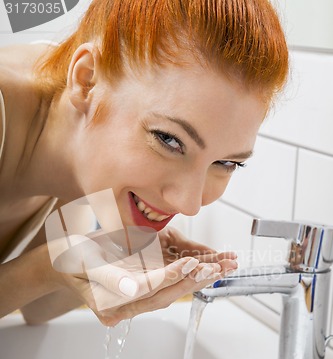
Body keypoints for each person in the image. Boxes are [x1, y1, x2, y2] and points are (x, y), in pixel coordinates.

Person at [0, 0, 288, 326]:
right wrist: (48, 267)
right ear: (87, 80)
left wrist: (112, 250)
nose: (189, 203)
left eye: (225, 162)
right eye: (169, 140)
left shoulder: (79, 144)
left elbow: (40, 309)